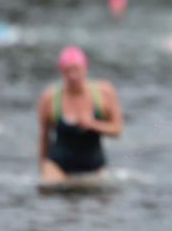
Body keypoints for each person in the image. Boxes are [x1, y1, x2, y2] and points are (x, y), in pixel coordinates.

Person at [37, 46, 123, 182]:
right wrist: (42, 168)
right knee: (47, 191)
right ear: (61, 71)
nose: (72, 75)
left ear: (85, 68)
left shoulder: (104, 93)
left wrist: (93, 124)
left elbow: (117, 130)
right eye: (67, 71)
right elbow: (44, 137)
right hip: (58, 165)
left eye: (76, 69)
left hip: (94, 165)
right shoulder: (50, 98)